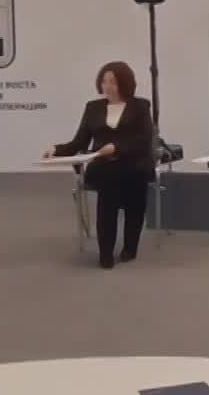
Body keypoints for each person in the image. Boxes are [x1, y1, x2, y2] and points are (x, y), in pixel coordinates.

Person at [44, 61, 155, 269]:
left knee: (134, 208)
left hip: (133, 166)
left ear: (125, 83)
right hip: (105, 168)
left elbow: (143, 139)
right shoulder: (93, 107)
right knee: (106, 207)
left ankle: (130, 248)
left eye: (113, 82)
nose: (107, 86)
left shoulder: (140, 106)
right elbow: (79, 142)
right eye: (104, 81)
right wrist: (57, 149)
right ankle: (105, 253)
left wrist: (116, 147)